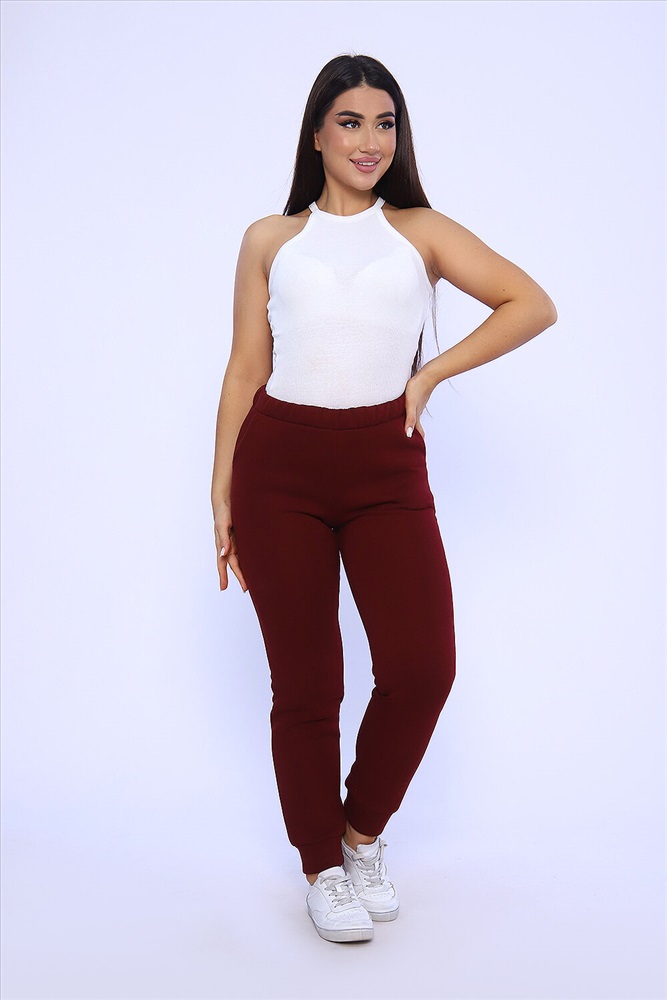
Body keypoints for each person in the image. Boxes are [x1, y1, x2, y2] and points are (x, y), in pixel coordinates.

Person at [211, 53, 557, 944]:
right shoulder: (270, 239)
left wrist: (429, 375)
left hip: (384, 465)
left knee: (421, 668)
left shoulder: (418, 231)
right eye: (350, 122)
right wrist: (220, 497)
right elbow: (245, 369)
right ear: (316, 134)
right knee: (307, 682)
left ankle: (359, 835)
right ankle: (320, 866)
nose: (369, 140)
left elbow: (529, 303)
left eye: (385, 123)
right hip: (277, 466)